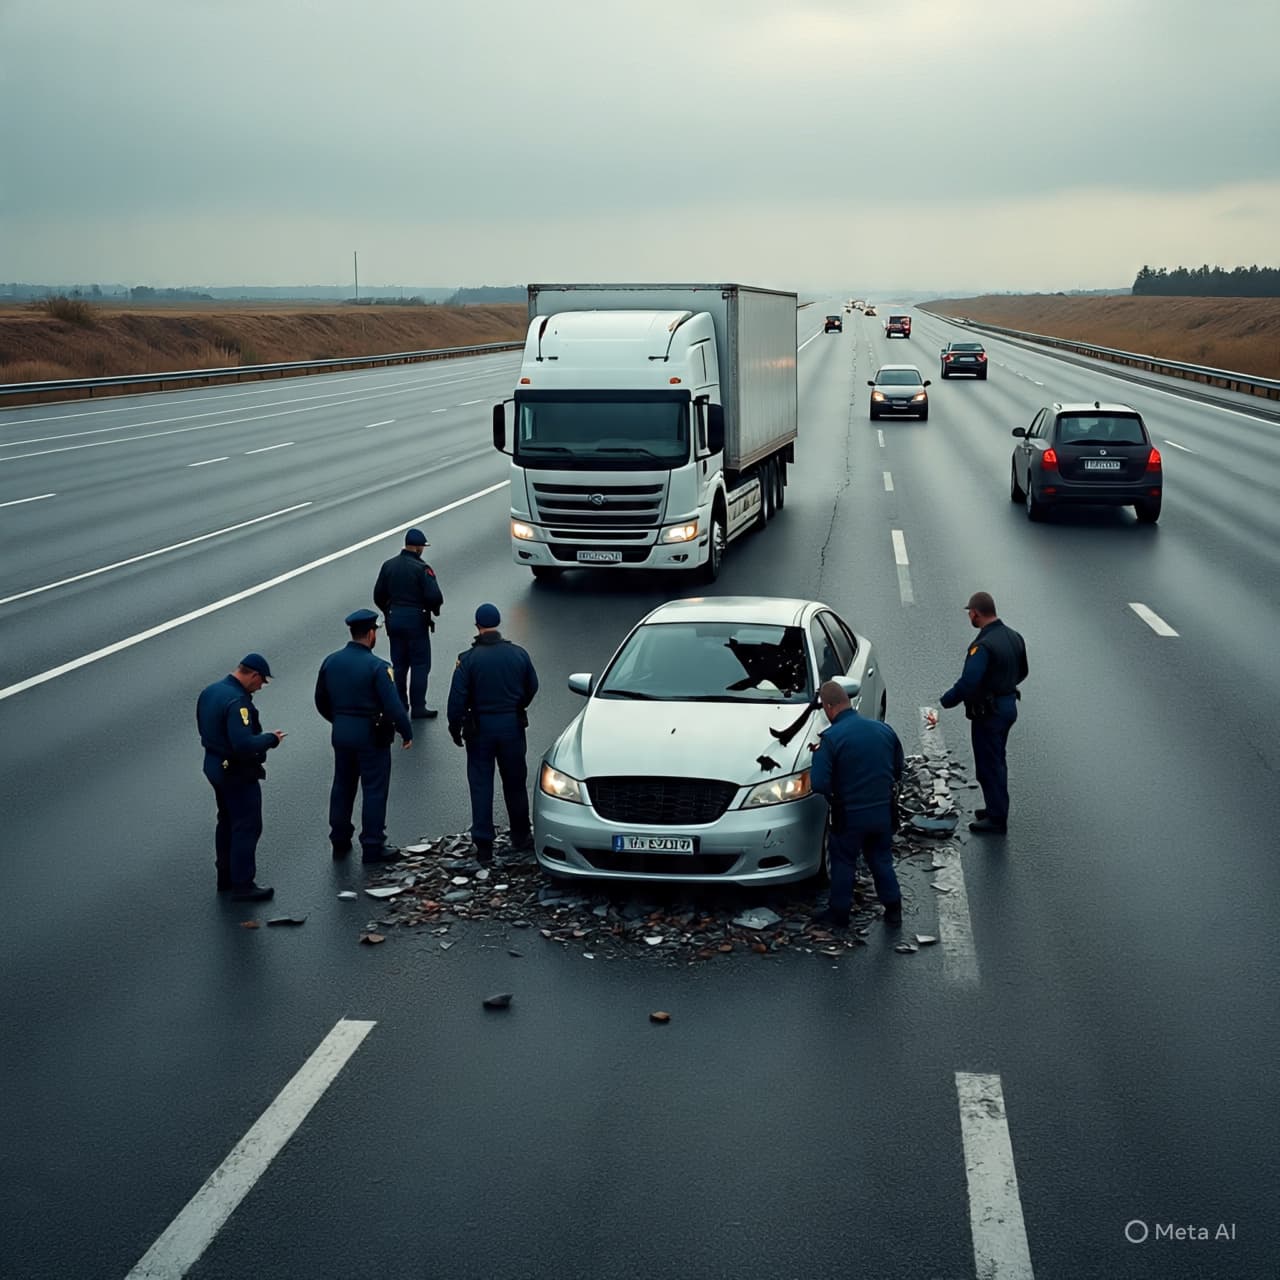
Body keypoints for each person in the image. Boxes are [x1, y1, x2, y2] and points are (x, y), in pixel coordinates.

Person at [315, 609, 414, 864]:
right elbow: (393, 706)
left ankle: (339, 838)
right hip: (371, 735)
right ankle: (372, 845)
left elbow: (321, 700)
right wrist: (405, 730)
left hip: (341, 732)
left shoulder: (330, 662)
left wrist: (339, 720)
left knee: (342, 786)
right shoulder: (377, 667)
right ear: (371, 634)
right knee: (374, 789)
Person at [447, 604, 539, 864]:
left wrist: (455, 728)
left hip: (480, 730)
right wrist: (517, 705)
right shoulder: (518, 654)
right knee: (515, 782)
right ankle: (521, 835)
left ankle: (484, 845)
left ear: (477, 625)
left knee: (481, 784)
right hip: (511, 726)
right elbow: (532, 685)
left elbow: (457, 699)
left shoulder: (468, 659)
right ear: (498, 623)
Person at [809, 679, 905, 928]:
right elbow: (898, 769)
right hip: (883, 811)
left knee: (843, 862)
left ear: (829, 707)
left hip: (849, 815)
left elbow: (818, 783)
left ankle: (840, 914)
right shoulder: (884, 730)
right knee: (881, 859)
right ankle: (893, 908)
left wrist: (837, 796)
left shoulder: (830, 739)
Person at [196, 653, 285, 901]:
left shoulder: (211, 691)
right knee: (247, 825)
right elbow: (243, 744)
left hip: (213, 766)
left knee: (226, 820)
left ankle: (224, 876)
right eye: (262, 682)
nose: (261, 687)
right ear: (253, 675)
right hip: (236, 772)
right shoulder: (238, 703)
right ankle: (243, 884)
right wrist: (271, 739)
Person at [939, 591, 1028, 834]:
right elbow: (1023, 671)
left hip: (990, 713)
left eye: (970, 612)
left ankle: (997, 818)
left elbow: (969, 682)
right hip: (1008, 705)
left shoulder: (983, 646)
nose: (970, 616)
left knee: (989, 764)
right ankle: (994, 808)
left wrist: (948, 700)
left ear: (976, 613)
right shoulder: (1014, 636)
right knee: (996, 759)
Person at [373, 527, 444, 719]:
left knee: (399, 665)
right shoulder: (422, 569)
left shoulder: (388, 566)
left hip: (394, 621)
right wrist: (432, 609)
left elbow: (378, 595)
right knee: (420, 665)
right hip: (416, 622)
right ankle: (418, 707)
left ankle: (400, 705)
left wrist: (389, 611)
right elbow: (434, 596)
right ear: (419, 548)